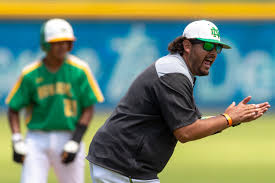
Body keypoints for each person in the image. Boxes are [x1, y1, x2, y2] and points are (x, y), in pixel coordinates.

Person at [86, 20, 270, 183]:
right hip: (123, 165)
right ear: (187, 45)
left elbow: (192, 123)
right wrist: (228, 118)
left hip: (122, 163)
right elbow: (186, 132)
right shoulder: (173, 74)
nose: (213, 53)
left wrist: (231, 119)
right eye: (207, 45)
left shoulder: (178, 70)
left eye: (217, 48)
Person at [6, 18, 104, 183]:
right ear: (45, 44)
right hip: (36, 139)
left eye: (66, 42)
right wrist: (17, 139)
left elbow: (88, 107)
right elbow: (13, 108)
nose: (63, 47)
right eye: (57, 42)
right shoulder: (30, 73)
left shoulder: (80, 70)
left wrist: (76, 140)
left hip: (69, 135)